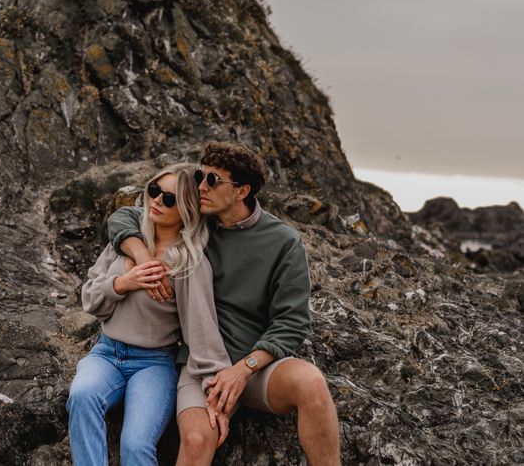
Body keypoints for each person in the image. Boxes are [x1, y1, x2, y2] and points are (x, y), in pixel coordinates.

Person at [108, 142, 341, 466]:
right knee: (197, 437)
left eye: (212, 181)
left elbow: (292, 322)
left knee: (311, 382)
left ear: (242, 190)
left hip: (256, 368)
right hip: (200, 365)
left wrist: (242, 370)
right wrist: (144, 257)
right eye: (201, 176)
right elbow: (124, 217)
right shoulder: (197, 222)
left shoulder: (283, 242)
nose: (200, 186)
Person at [66, 163, 232, 466]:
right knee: (82, 396)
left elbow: (201, 330)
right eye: (154, 190)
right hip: (106, 353)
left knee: (135, 444)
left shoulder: (188, 263)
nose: (156, 200)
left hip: (154, 363)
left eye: (169, 199)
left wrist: (215, 395)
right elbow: (90, 299)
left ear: (185, 210)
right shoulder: (126, 243)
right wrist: (121, 284)